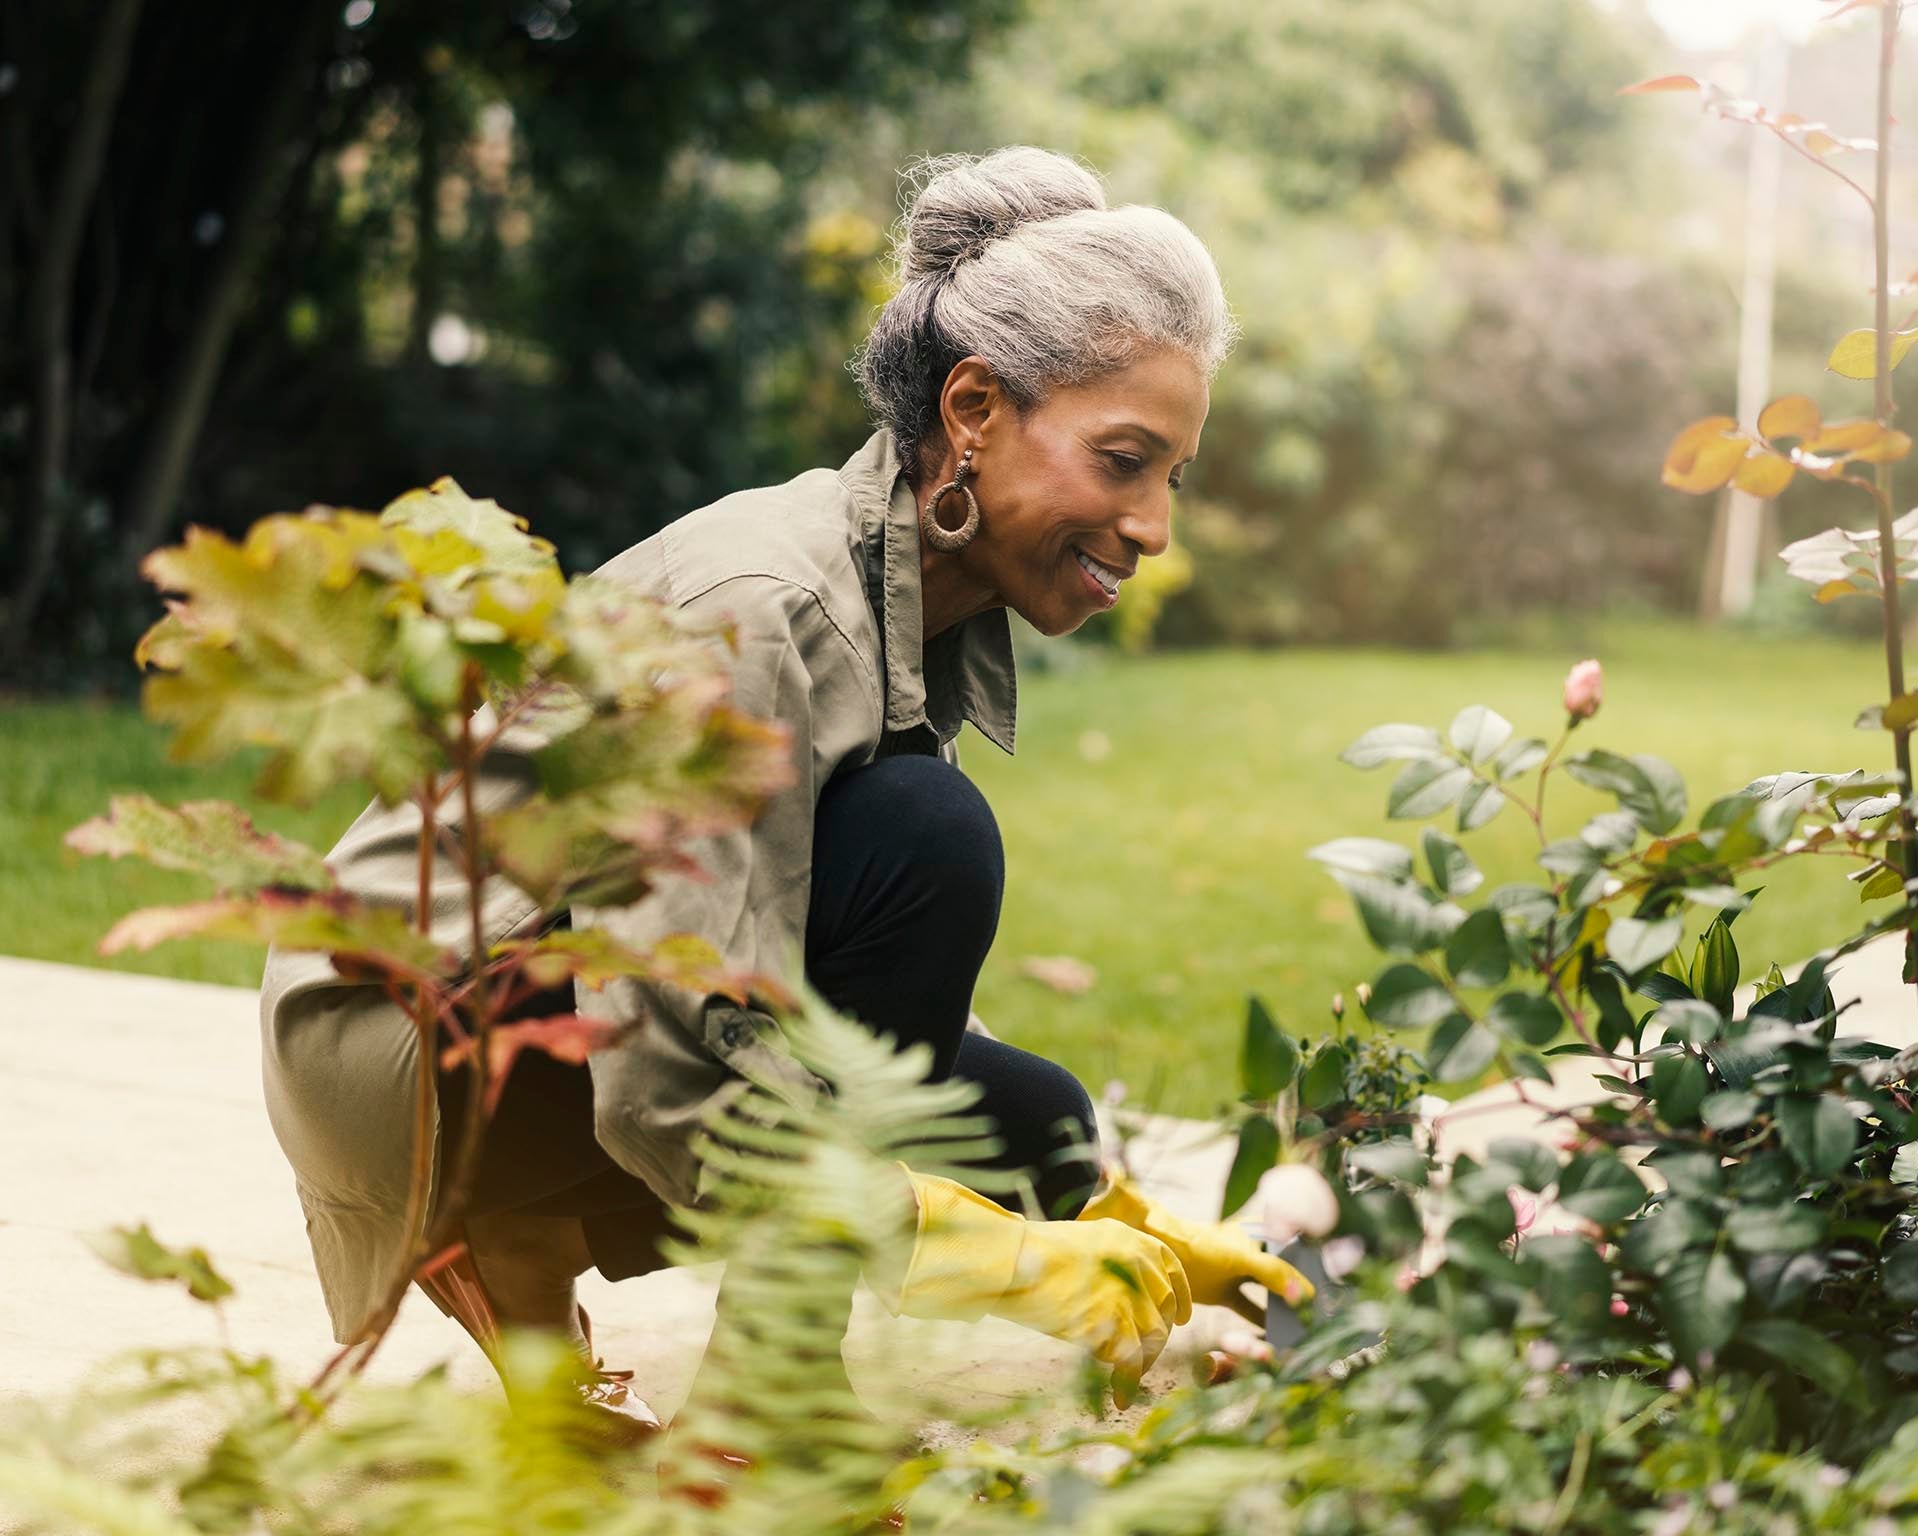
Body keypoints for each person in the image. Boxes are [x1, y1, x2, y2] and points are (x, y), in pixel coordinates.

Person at [258, 144, 1311, 1436]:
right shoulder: (766, 608)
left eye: (1174, 478)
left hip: (546, 1003)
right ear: (972, 412)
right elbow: (664, 1067)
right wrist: (987, 1257)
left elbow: (826, 986)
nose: (1154, 527)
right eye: (1125, 460)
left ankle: (518, 1243)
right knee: (932, 841)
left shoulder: (912, 602)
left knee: (1035, 1124)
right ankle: (765, 1410)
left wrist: (1104, 1224)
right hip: (398, 1041)